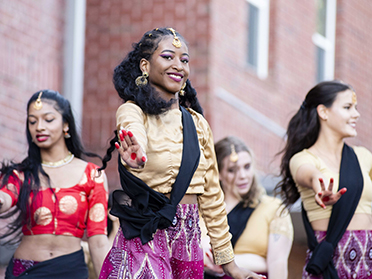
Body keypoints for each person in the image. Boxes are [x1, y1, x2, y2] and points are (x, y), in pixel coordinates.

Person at [98, 27, 265, 279]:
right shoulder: (133, 112)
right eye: (168, 57)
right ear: (145, 65)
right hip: (146, 237)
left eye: (184, 60)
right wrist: (137, 157)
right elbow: (132, 131)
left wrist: (229, 264)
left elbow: (211, 197)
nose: (178, 65)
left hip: (187, 243)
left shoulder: (197, 124)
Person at [0, 90, 110, 278]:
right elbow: (4, 198)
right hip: (25, 270)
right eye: (32, 121)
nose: (39, 127)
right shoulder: (21, 175)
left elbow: (98, 241)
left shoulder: (92, 175)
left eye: (48, 119)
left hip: (69, 270)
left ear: (66, 124)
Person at [275, 80, 372, 279]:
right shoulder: (303, 159)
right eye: (347, 107)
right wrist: (318, 184)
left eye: (355, 108)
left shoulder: (364, 156)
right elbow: (309, 173)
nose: (356, 114)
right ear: (323, 112)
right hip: (330, 266)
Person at [202, 136, 293, 279]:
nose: (243, 176)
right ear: (218, 173)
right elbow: (199, 254)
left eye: (247, 167)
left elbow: (277, 263)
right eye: (232, 170)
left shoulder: (274, 209)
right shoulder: (204, 209)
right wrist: (256, 261)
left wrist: (229, 263)